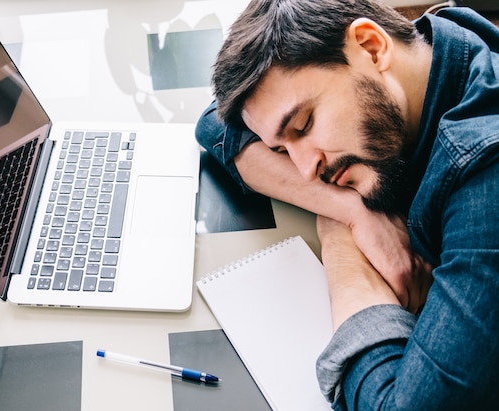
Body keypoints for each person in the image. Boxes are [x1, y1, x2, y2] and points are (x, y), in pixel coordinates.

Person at [196, 0, 499, 409]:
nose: (304, 170)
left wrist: (342, 254)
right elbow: (215, 124)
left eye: (303, 126)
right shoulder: (427, 53)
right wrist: (350, 211)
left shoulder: (487, 181)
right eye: (282, 147)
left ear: (373, 47)